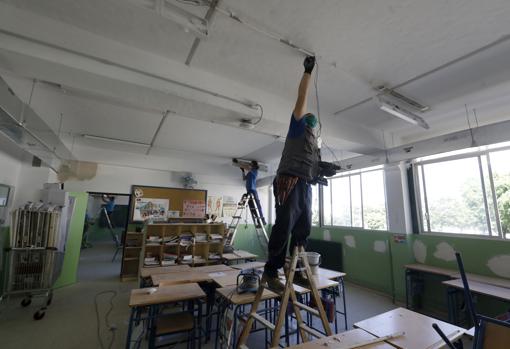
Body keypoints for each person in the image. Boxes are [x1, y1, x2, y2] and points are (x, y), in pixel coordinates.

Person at [263, 56, 320, 292]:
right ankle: (271, 271)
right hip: (289, 180)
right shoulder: (297, 127)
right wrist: (307, 72)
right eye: (311, 123)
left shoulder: (312, 141)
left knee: (303, 228)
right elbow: (302, 99)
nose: (313, 127)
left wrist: (320, 170)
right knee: (284, 225)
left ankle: (295, 271)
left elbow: (311, 164)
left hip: (305, 183)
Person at [241, 161, 267, 225]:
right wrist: (242, 171)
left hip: (253, 190)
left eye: (251, 164)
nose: (250, 165)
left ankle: (262, 219)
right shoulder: (250, 173)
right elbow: (244, 178)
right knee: (251, 206)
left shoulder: (255, 171)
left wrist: (243, 166)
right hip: (249, 191)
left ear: (254, 166)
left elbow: (250, 168)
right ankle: (257, 219)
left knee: (258, 205)